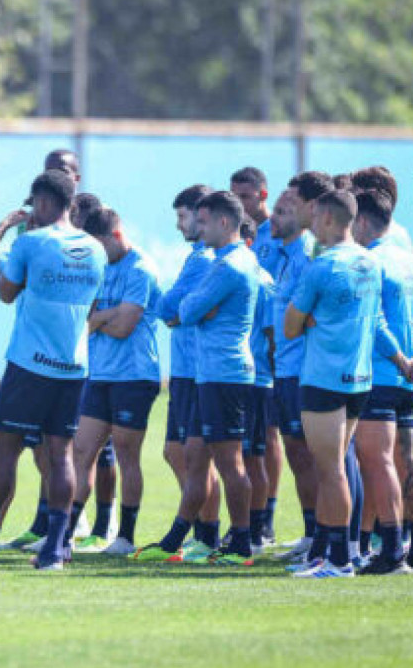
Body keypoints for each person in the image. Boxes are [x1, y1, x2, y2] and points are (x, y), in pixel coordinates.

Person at [0, 170, 105, 571]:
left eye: (35, 204)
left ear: (45, 202)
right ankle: (54, 550)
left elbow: (5, 292)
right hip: (73, 367)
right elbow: (93, 304)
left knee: (3, 453)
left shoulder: (31, 243)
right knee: (61, 454)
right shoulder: (96, 249)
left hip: (30, 365)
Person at [136, 191, 259, 567]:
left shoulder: (229, 266)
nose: (197, 228)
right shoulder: (229, 262)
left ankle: (241, 544)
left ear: (224, 222)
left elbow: (185, 310)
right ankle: (177, 538)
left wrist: (192, 310)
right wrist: (193, 310)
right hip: (212, 373)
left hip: (224, 373)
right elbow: (187, 310)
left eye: (203, 221)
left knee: (229, 463)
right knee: (197, 459)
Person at [285, 190, 400, 578]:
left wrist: (311, 319)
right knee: (336, 466)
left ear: (330, 220)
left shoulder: (322, 266)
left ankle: (338, 560)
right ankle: (337, 554)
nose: (312, 225)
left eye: (315, 218)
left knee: (331, 470)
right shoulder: (371, 261)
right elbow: (377, 321)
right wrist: (401, 359)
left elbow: (289, 326)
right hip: (359, 382)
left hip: (323, 379)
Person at [69, 207, 161, 556]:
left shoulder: (141, 269)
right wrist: (109, 314)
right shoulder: (98, 265)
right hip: (100, 373)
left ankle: (125, 535)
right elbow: (83, 319)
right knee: (81, 450)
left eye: (100, 246)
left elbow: (123, 328)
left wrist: (100, 318)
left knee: (126, 454)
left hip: (135, 376)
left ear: (116, 237)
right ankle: (65, 533)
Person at [352, 189, 413, 574]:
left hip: (383, 374)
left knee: (377, 461)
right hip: (410, 379)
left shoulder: (370, 261)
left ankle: (392, 553)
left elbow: (374, 322)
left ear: (363, 221)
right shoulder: (410, 261)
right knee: (405, 460)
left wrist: (403, 360)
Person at [153, 184, 220, 555]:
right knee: (176, 452)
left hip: (197, 371)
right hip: (184, 370)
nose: (179, 225)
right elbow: (169, 308)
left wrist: (173, 310)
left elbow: (169, 306)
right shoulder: (196, 256)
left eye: (183, 217)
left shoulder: (203, 259)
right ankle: (203, 531)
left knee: (196, 457)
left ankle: (207, 535)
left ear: (202, 214)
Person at [270, 174, 332, 561]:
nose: (275, 217)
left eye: (284, 208)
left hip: (303, 370)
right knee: (296, 454)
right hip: (284, 369)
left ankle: (327, 536)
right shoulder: (286, 255)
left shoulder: (309, 254)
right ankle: (313, 531)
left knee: (312, 456)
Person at [241, 217, 276, 552]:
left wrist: (275, 379)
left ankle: (256, 531)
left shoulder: (263, 281)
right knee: (241, 455)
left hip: (257, 380)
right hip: (238, 380)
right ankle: (244, 528)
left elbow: (272, 336)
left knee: (254, 457)